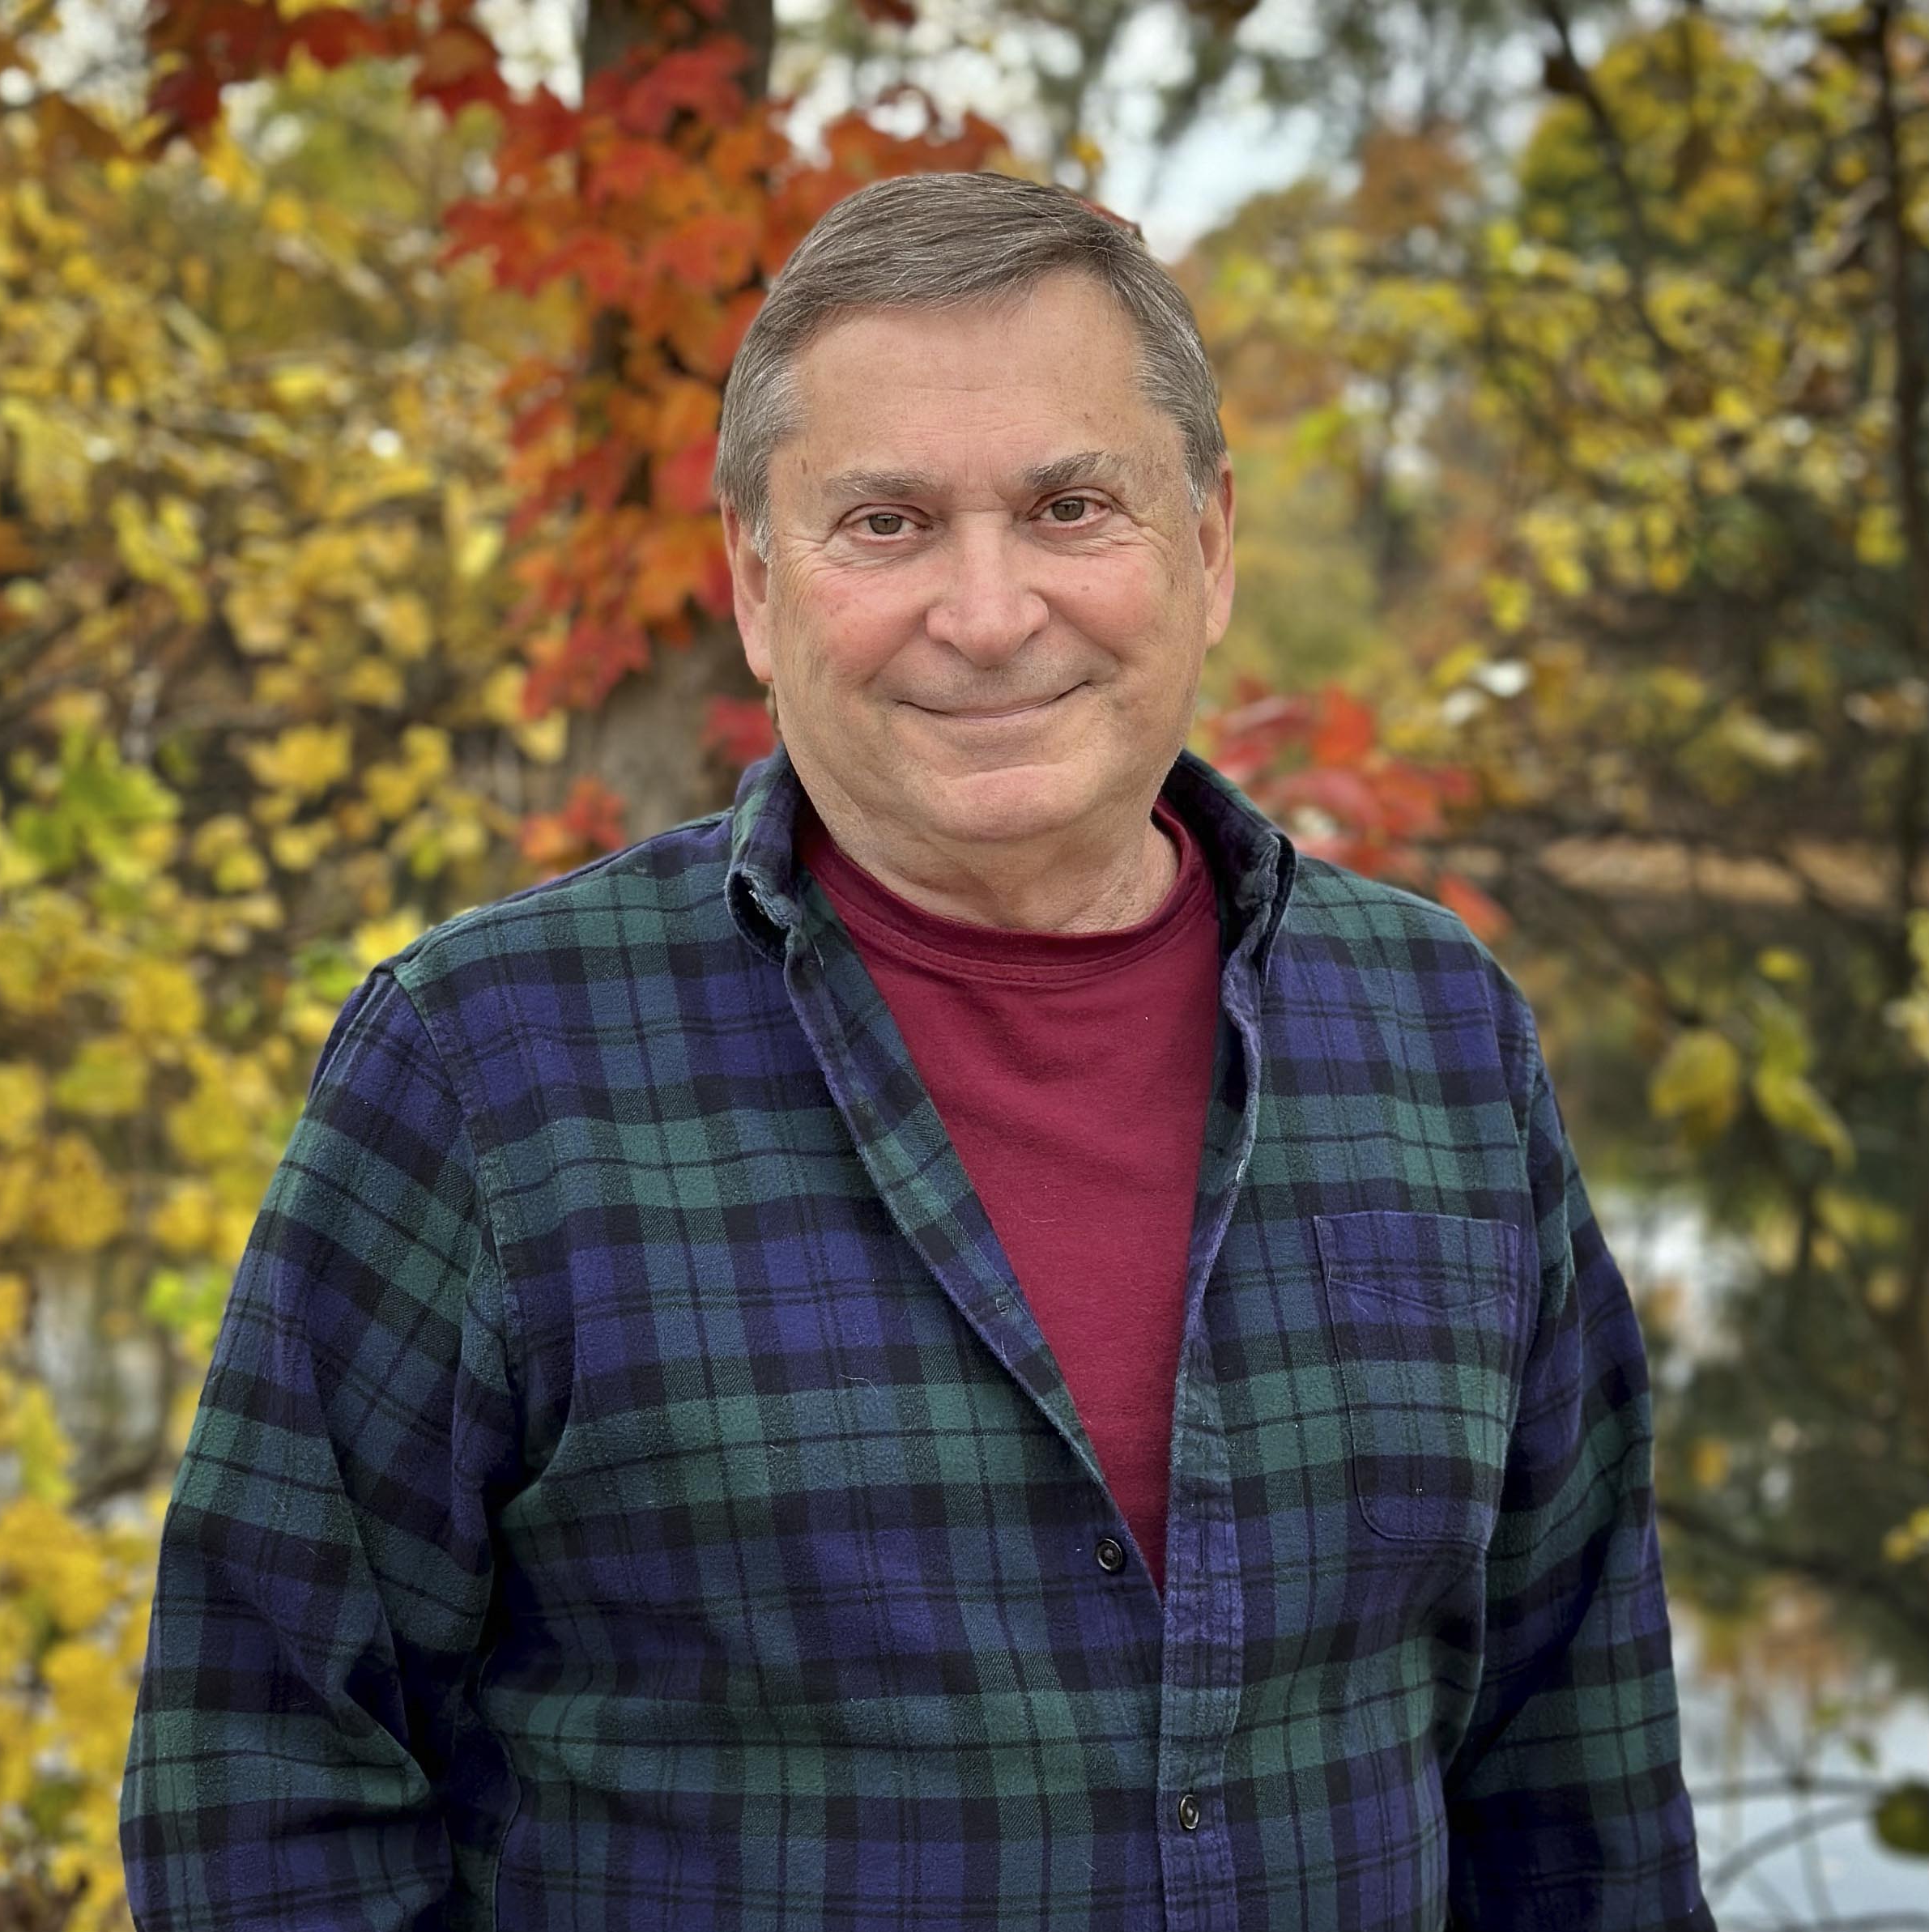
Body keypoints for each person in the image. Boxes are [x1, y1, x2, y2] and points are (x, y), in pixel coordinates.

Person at [119, 170, 1715, 1932]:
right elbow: (261, 1784)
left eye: (1067, 504)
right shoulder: (488, 1069)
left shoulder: (1437, 1039)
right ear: (753, 580)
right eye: (884, 522)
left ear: (1207, 543)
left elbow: (1575, 1780)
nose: (984, 608)